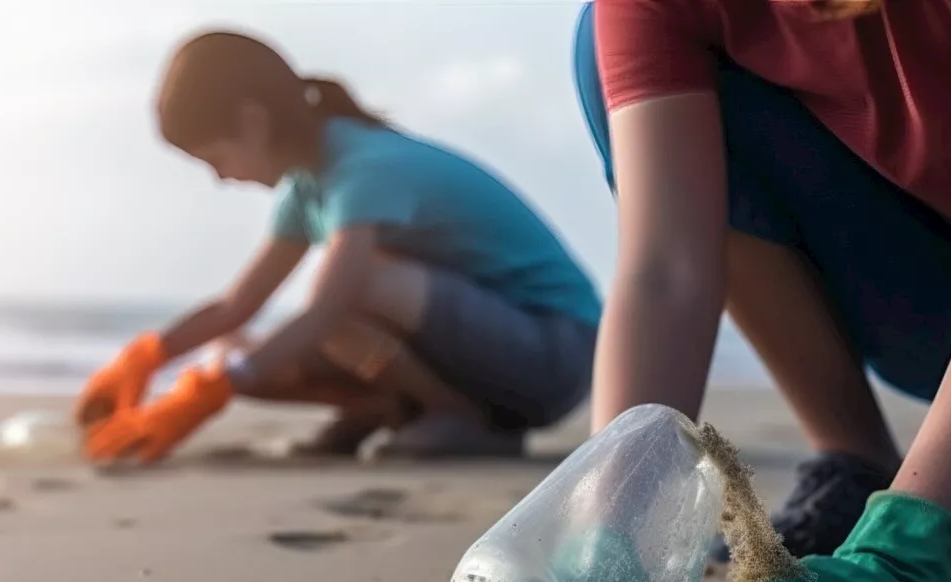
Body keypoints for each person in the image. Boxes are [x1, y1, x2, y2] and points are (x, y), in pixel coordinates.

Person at [574, 0, 951, 582]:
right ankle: (866, 461)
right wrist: (606, 523)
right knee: (597, 45)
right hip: (950, 307)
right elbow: (666, 273)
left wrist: (901, 557)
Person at [79, 30, 601, 463]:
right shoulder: (309, 185)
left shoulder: (362, 168)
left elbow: (328, 310)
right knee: (230, 354)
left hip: (556, 353)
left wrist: (209, 397)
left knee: (352, 285)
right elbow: (236, 307)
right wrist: (147, 358)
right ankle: (394, 409)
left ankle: (460, 420)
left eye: (215, 158)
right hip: (487, 350)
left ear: (252, 123)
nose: (220, 178)